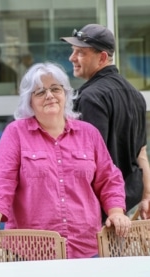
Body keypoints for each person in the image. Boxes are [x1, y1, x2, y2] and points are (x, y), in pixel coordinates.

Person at [0, 62, 131, 259]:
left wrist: (116, 212)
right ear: (29, 101)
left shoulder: (88, 133)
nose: (49, 95)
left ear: (66, 95)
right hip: (31, 248)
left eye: (56, 89)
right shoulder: (16, 133)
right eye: (39, 92)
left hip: (86, 246)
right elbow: (2, 180)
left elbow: (109, 178)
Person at [60, 24, 150, 220]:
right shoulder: (136, 95)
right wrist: (146, 196)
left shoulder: (90, 98)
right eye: (73, 51)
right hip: (126, 203)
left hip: (99, 209)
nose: (72, 58)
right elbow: (141, 152)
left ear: (101, 57)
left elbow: (88, 160)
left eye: (80, 53)